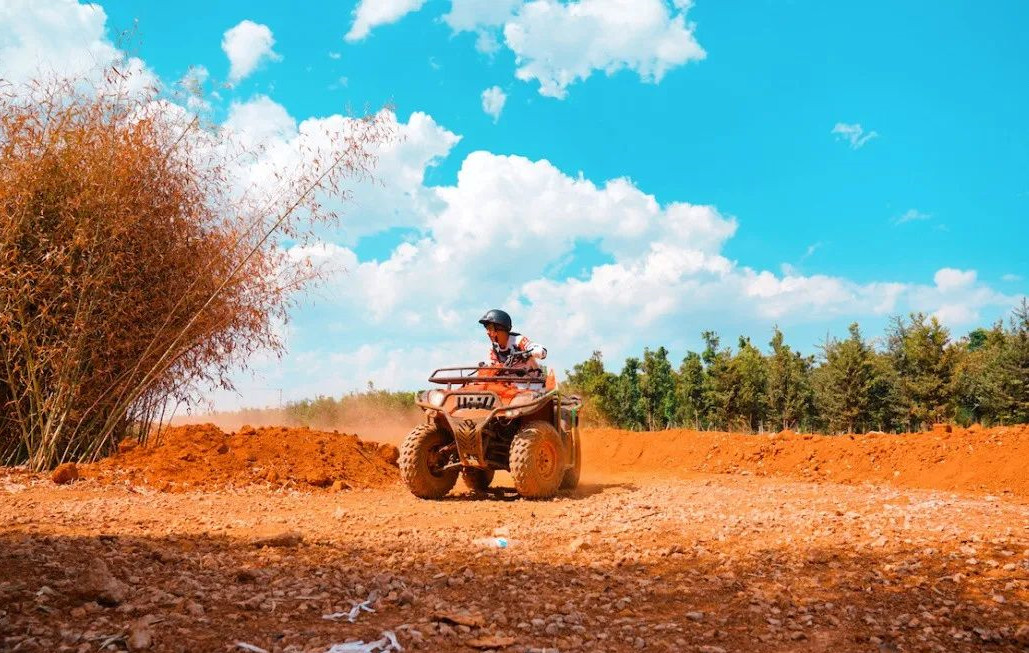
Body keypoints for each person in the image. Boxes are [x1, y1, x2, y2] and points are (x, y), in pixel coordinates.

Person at [478, 309, 547, 369]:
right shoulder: (495, 348)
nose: (487, 333)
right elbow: (494, 365)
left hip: (530, 381)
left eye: (490, 329)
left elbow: (542, 352)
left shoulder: (518, 340)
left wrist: (531, 352)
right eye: (487, 329)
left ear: (501, 328)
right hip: (509, 381)